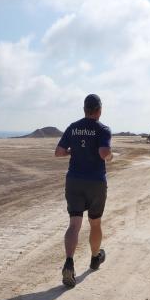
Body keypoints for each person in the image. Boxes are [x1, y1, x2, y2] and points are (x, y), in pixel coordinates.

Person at [55, 94, 113, 288]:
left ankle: (69, 263)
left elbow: (59, 152)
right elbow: (104, 153)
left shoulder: (73, 127)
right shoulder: (103, 129)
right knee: (95, 223)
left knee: (74, 224)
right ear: (99, 110)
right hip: (95, 182)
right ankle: (95, 258)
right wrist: (110, 156)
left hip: (74, 181)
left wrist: (72, 151)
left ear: (84, 109)